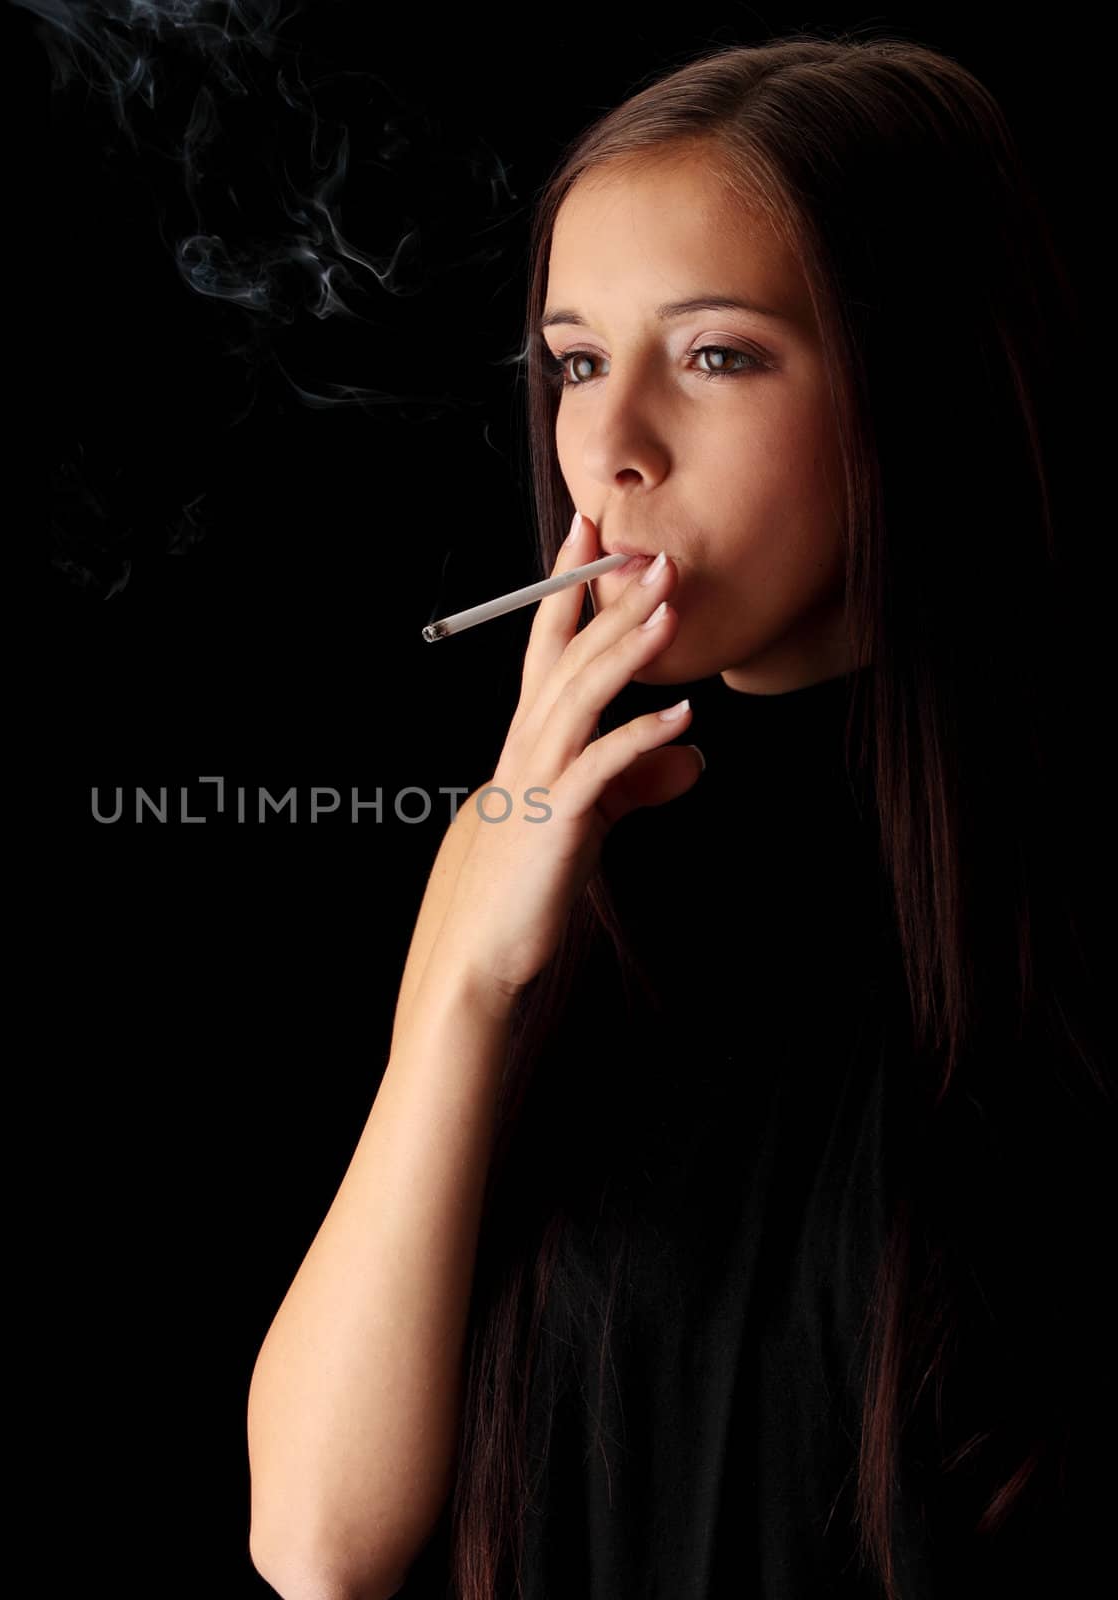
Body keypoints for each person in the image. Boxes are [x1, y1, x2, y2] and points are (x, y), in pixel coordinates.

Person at [247, 32, 1112, 1600]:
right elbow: (318, 1544)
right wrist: (462, 979)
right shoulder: (549, 867)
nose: (612, 445)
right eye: (578, 360)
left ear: (913, 382)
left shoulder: (1068, 891)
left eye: (716, 355)